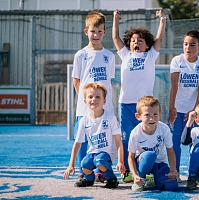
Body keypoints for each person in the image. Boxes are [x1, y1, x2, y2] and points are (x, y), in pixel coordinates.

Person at [112, 9, 167, 182]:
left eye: (140, 41)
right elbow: (115, 38)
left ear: (147, 45)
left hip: (145, 107)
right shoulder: (126, 54)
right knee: (127, 138)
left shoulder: (150, 56)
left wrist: (162, 20)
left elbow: (159, 39)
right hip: (126, 104)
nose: (136, 43)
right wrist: (115, 19)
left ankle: (146, 169)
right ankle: (128, 171)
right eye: (133, 40)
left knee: (145, 137)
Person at [72, 11, 116, 182]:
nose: (96, 35)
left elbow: (108, 81)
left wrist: (102, 104)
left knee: (104, 140)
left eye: (99, 31)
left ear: (104, 32)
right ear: (86, 32)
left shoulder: (109, 56)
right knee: (83, 140)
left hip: (105, 108)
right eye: (92, 31)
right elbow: (77, 80)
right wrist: (86, 103)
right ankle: (85, 173)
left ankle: (101, 171)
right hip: (86, 108)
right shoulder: (81, 55)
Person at [64, 83, 126, 188]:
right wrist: (71, 165)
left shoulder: (110, 118)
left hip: (107, 154)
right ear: (85, 101)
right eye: (90, 97)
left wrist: (120, 161)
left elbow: (118, 141)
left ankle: (111, 178)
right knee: (85, 164)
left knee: (100, 161)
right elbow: (77, 143)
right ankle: (89, 179)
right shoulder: (84, 120)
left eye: (98, 97)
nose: (94, 99)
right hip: (93, 153)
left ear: (104, 100)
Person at [168, 30, 199, 181]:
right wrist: (172, 108)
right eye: (185, 44)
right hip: (177, 110)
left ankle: (194, 174)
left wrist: (195, 110)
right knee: (175, 143)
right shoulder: (177, 61)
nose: (188, 48)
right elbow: (174, 86)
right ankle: (175, 172)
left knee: (195, 143)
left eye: (192, 45)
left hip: (193, 112)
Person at [128, 96, 178, 192]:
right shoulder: (135, 133)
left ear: (160, 114)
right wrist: (134, 175)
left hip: (160, 164)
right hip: (143, 163)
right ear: (138, 116)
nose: (152, 118)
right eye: (147, 115)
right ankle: (141, 179)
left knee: (172, 186)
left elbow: (170, 151)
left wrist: (172, 170)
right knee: (150, 155)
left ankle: (153, 179)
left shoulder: (164, 129)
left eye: (155, 114)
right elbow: (131, 157)